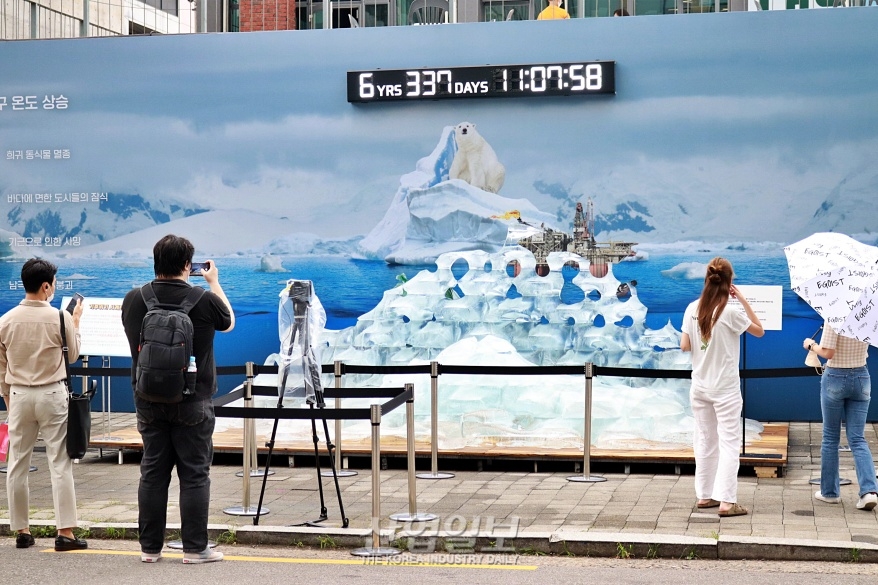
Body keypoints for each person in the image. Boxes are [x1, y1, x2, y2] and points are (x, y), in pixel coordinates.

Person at [122, 235, 234, 564]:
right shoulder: (204, 300)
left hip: (148, 399)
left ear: (156, 262)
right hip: (193, 401)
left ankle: (150, 549)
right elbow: (228, 323)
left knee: (153, 473)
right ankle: (195, 549)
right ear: (188, 265)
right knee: (194, 474)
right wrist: (213, 282)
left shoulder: (134, 299)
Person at [0, 258, 87, 551]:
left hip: (19, 395)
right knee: (60, 463)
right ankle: (65, 532)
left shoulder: (6, 320)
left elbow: (1, 367)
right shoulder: (60, 317)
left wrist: (8, 397)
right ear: (46, 286)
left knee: (17, 464)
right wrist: (75, 323)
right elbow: (72, 356)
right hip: (52, 394)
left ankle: (22, 531)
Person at [680, 257, 763, 517]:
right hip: (725, 389)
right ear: (729, 282)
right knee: (729, 443)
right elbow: (759, 331)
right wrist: (744, 301)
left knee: (705, 440)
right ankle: (727, 501)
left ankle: (704, 496)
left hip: (700, 387)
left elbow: (684, 346)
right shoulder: (729, 312)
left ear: (707, 279)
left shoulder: (692, 308)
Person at [805, 326, 878, 511]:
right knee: (858, 438)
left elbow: (828, 352)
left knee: (830, 437)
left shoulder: (834, 318)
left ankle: (830, 493)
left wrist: (811, 345)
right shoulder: (867, 315)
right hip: (861, 375)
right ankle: (869, 491)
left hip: (835, 376)